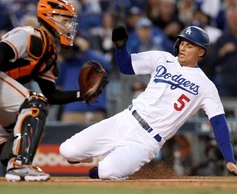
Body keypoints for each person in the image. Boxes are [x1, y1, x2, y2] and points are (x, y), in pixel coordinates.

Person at [59, 25, 237, 180]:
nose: (183, 47)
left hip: (147, 140)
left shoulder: (206, 86)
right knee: (67, 150)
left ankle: (103, 169)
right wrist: (120, 48)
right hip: (125, 119)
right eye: (182, 42)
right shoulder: (162, 58)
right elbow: (126, 67)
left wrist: (229, 159)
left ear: (201, 52)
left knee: (106, 172)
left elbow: (218, 122)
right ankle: (90, 156)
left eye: (189, 45)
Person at [0, 0, 89, 182]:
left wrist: (82, 95)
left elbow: (52, 94)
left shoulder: (49, 53)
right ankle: (19, 165)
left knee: (14, 125)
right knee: (35, 103)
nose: (69, 26)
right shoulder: (32, 35)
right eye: (65, 20)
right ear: (49, 18)